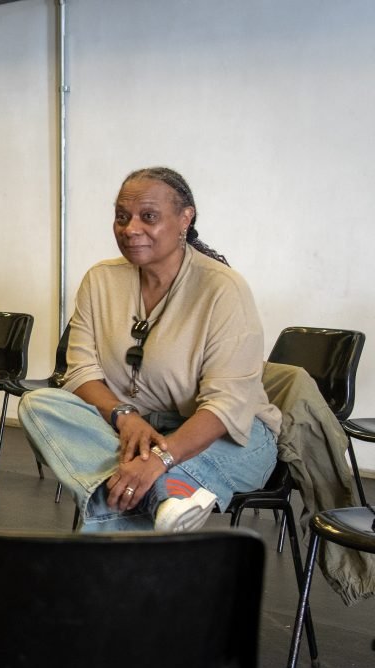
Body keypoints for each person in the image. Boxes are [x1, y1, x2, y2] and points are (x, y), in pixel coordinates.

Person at [19, 167, 280, 533]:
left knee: (135, 481)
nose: (130, 229)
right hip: (130, 428)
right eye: (122, 217)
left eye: (149, 217)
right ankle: (169, 500)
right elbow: (80, 372)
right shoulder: (99, 280)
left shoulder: (224, 289)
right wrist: (125, 417)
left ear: (185, 218)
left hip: (225, 435)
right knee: (39, 405)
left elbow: (225, 406)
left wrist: (160, 457)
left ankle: (148, 498)